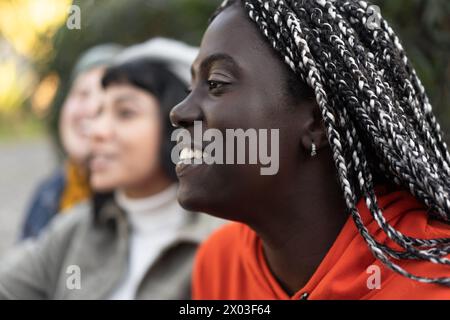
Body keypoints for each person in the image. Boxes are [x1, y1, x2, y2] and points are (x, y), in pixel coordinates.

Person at [170, 0, 450, 299]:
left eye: (215, 83)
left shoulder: (434, 282)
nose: (179, 112)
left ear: (318, 121)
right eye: (191, 89)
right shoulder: (220, 264)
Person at [0, 38, 222, 299]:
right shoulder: (74, 230)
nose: (96, 131)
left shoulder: (226, 244)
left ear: (179, 126)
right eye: (97, 114)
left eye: (125, 113)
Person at [21, 44, 123, 239]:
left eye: (106, 97)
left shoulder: (137, 203)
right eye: (82, 93)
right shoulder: (49, 192)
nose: (91, 108)